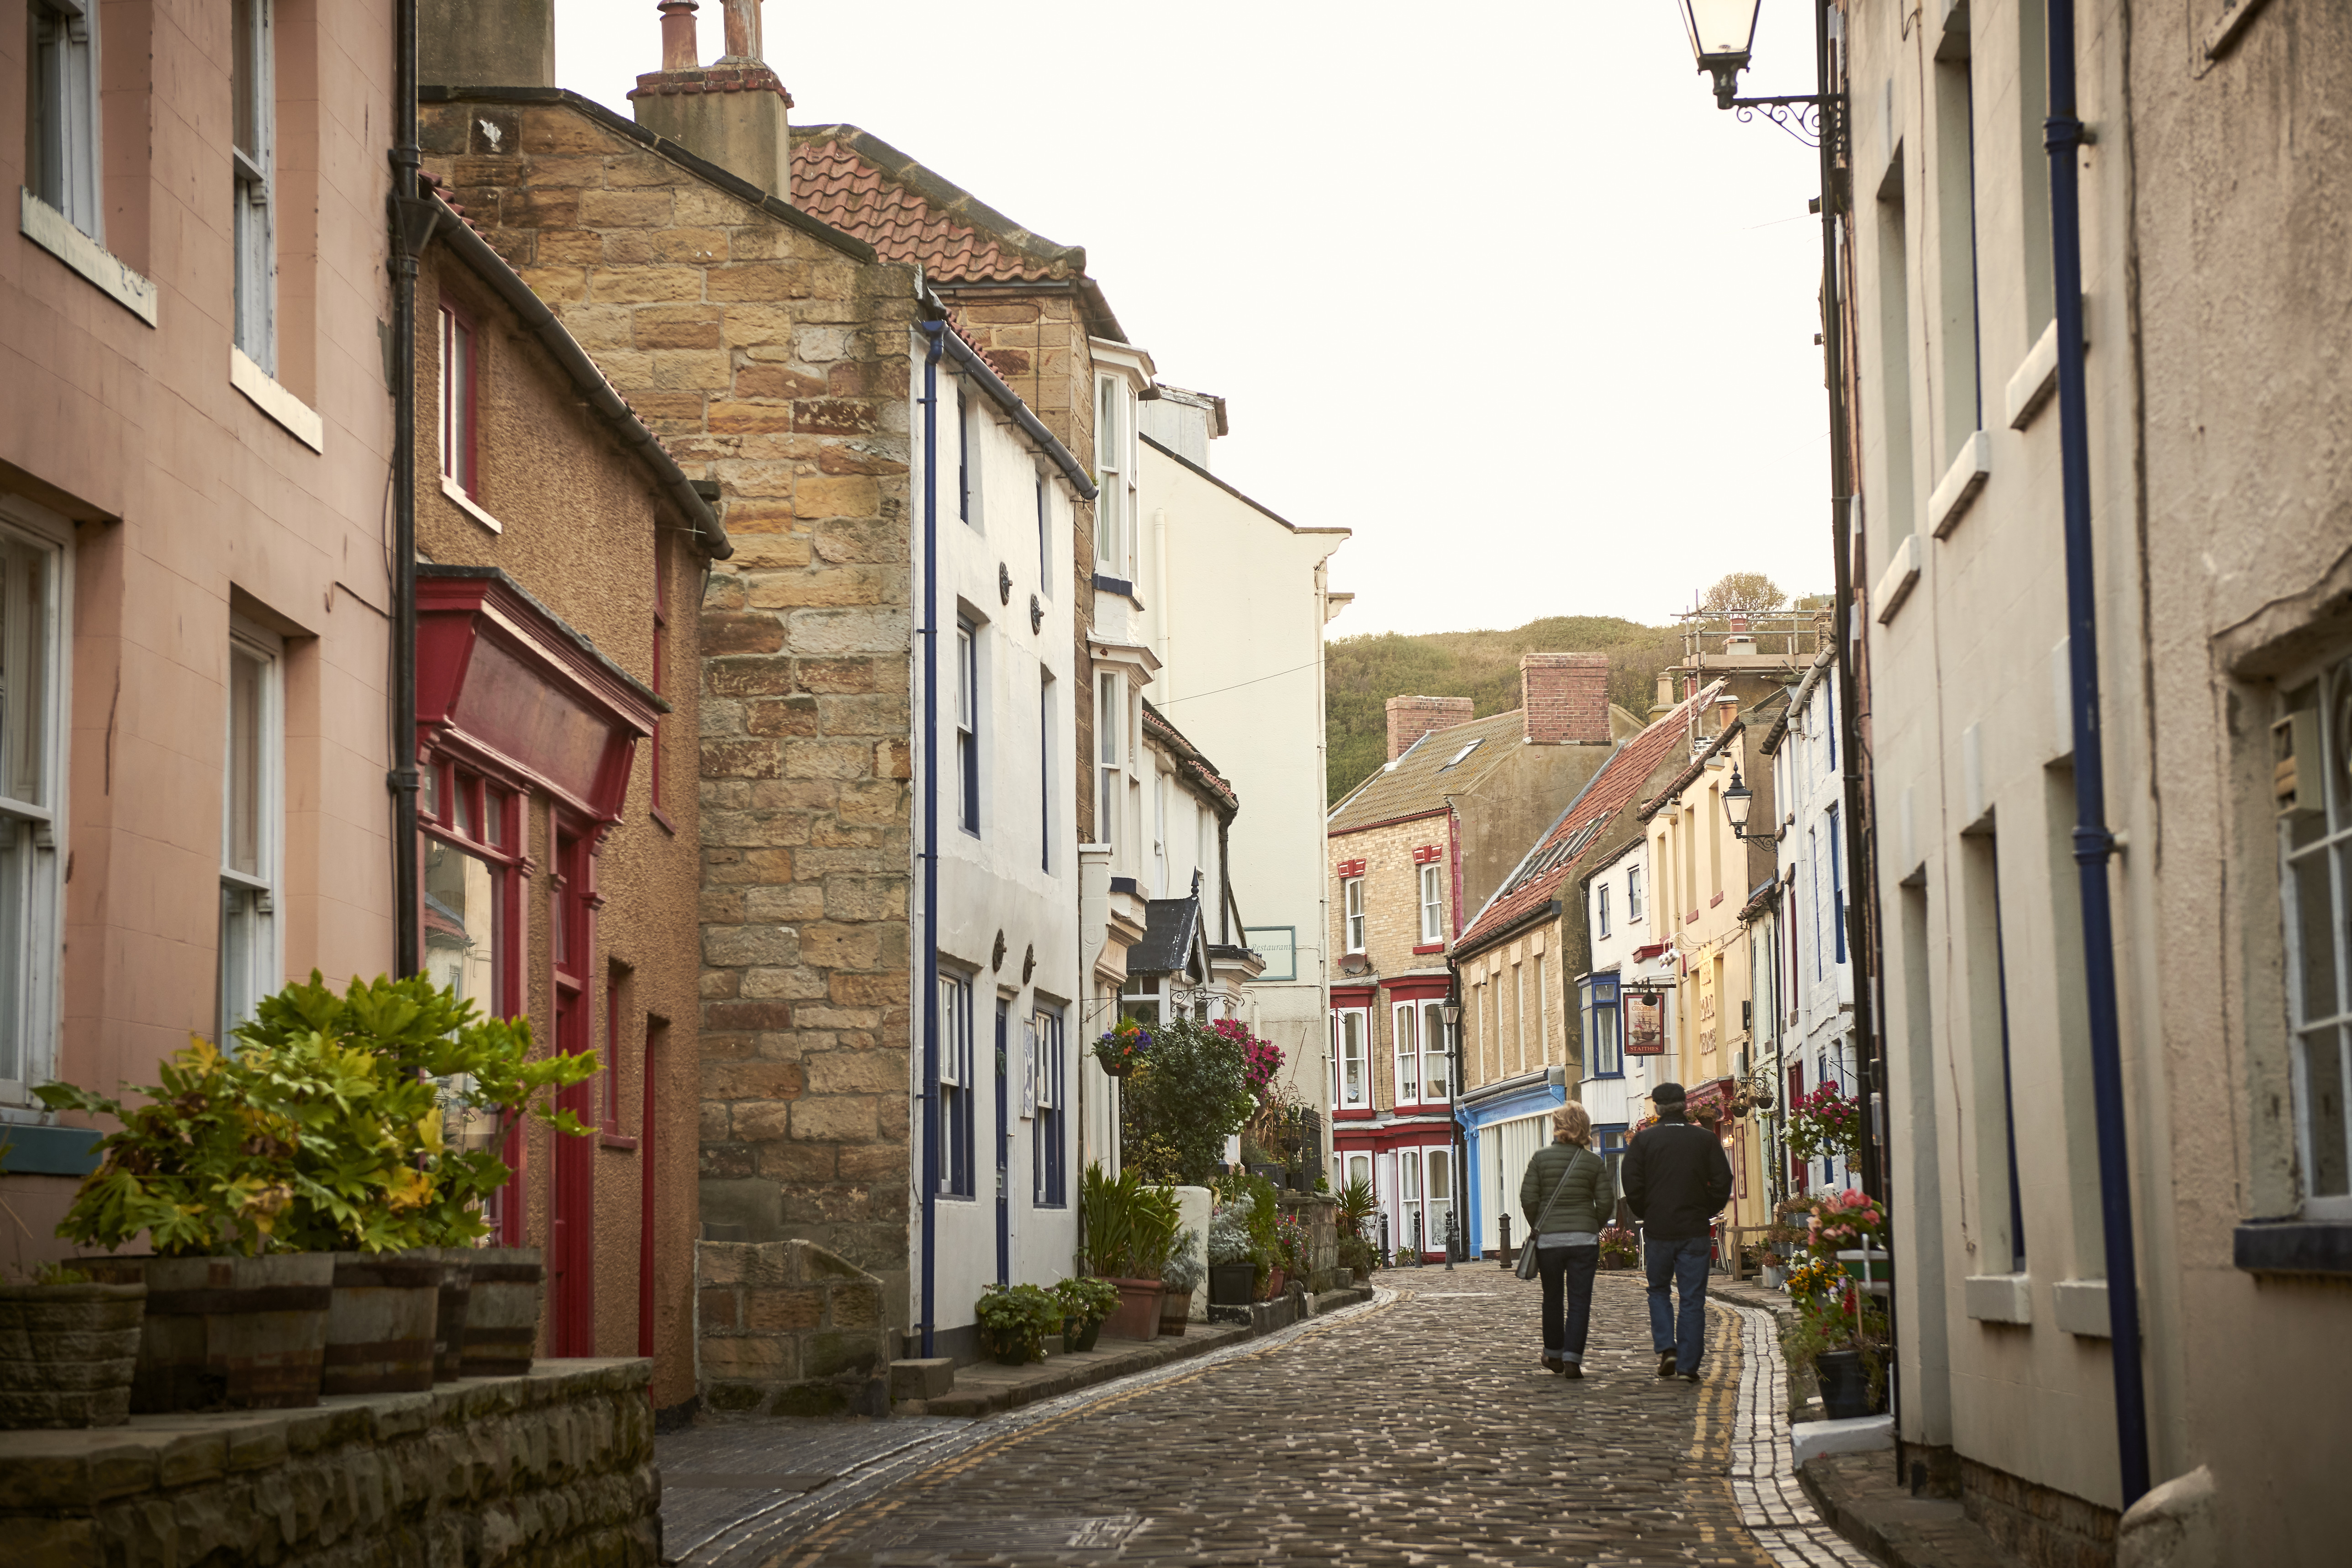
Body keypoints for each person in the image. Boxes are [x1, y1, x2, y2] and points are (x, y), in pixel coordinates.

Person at [1621, 1081, 1733, 1384]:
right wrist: (1706, 1209)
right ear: (1684, 1106)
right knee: (1692, 1298)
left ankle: (1666, 1348)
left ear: (1656, 1108)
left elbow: (1631, 1183)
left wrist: (1647, 1210)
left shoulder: (1643, 1143)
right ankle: (1688, 1364)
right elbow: (1723, 1181)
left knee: (1658, 1290)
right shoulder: (1705, 1139)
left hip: (1659, 1231)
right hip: (1694, 1231)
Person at [1518, 1102, 1611, 1378]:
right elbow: (1606, 1202)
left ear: (1557, 1127)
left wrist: (1539, 1225)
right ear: (1584, 1127)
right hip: (1584, 1240)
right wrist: (1591, 1226)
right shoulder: (1594, 1162)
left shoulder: (1540, 1158)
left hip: (1550, 1241)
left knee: (1553, 1298)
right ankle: (1573, 1359)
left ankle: (1554, 1354)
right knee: (1580, 1300)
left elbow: (1528, 1198)